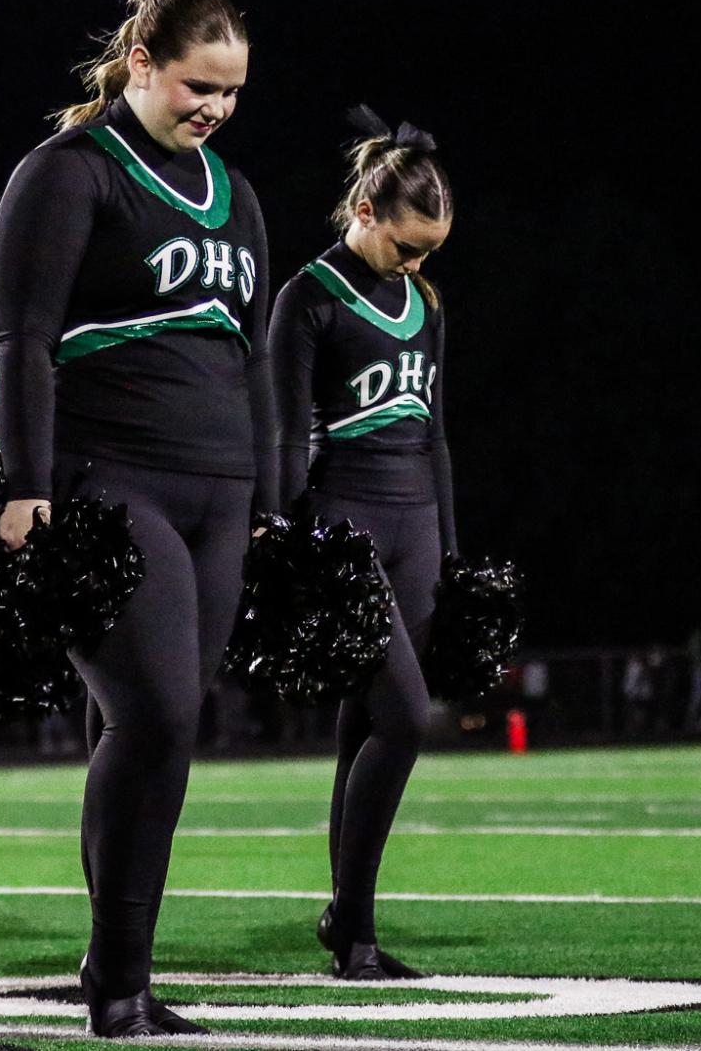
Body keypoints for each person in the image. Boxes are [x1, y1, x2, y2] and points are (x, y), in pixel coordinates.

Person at [0, 0, 270, 1036]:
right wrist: (24, 482)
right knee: (150, 711)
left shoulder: (236, 191)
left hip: (219, 486)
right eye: (201, 86)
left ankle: (124, 971)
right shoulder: (70, 170)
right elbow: (21, 339)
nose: (217, 107)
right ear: (142, 62)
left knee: (167, 725)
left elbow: (246, 356)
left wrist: (269, 496)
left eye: (234, 92)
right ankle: (114, 980)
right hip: (111, 479)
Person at [267, 106, 453, 980]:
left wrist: (449, 551)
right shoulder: (307, 296)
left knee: (365, 727)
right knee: (406, 719)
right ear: (366, 212)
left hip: (416, 524)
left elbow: (435, 433)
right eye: (406, 246)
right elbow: (280, 433)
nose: (416, 266)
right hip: (344, 523)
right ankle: (351, 920)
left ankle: (353, 930)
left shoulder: (422, 301)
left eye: (430, 252)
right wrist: (278, 530)